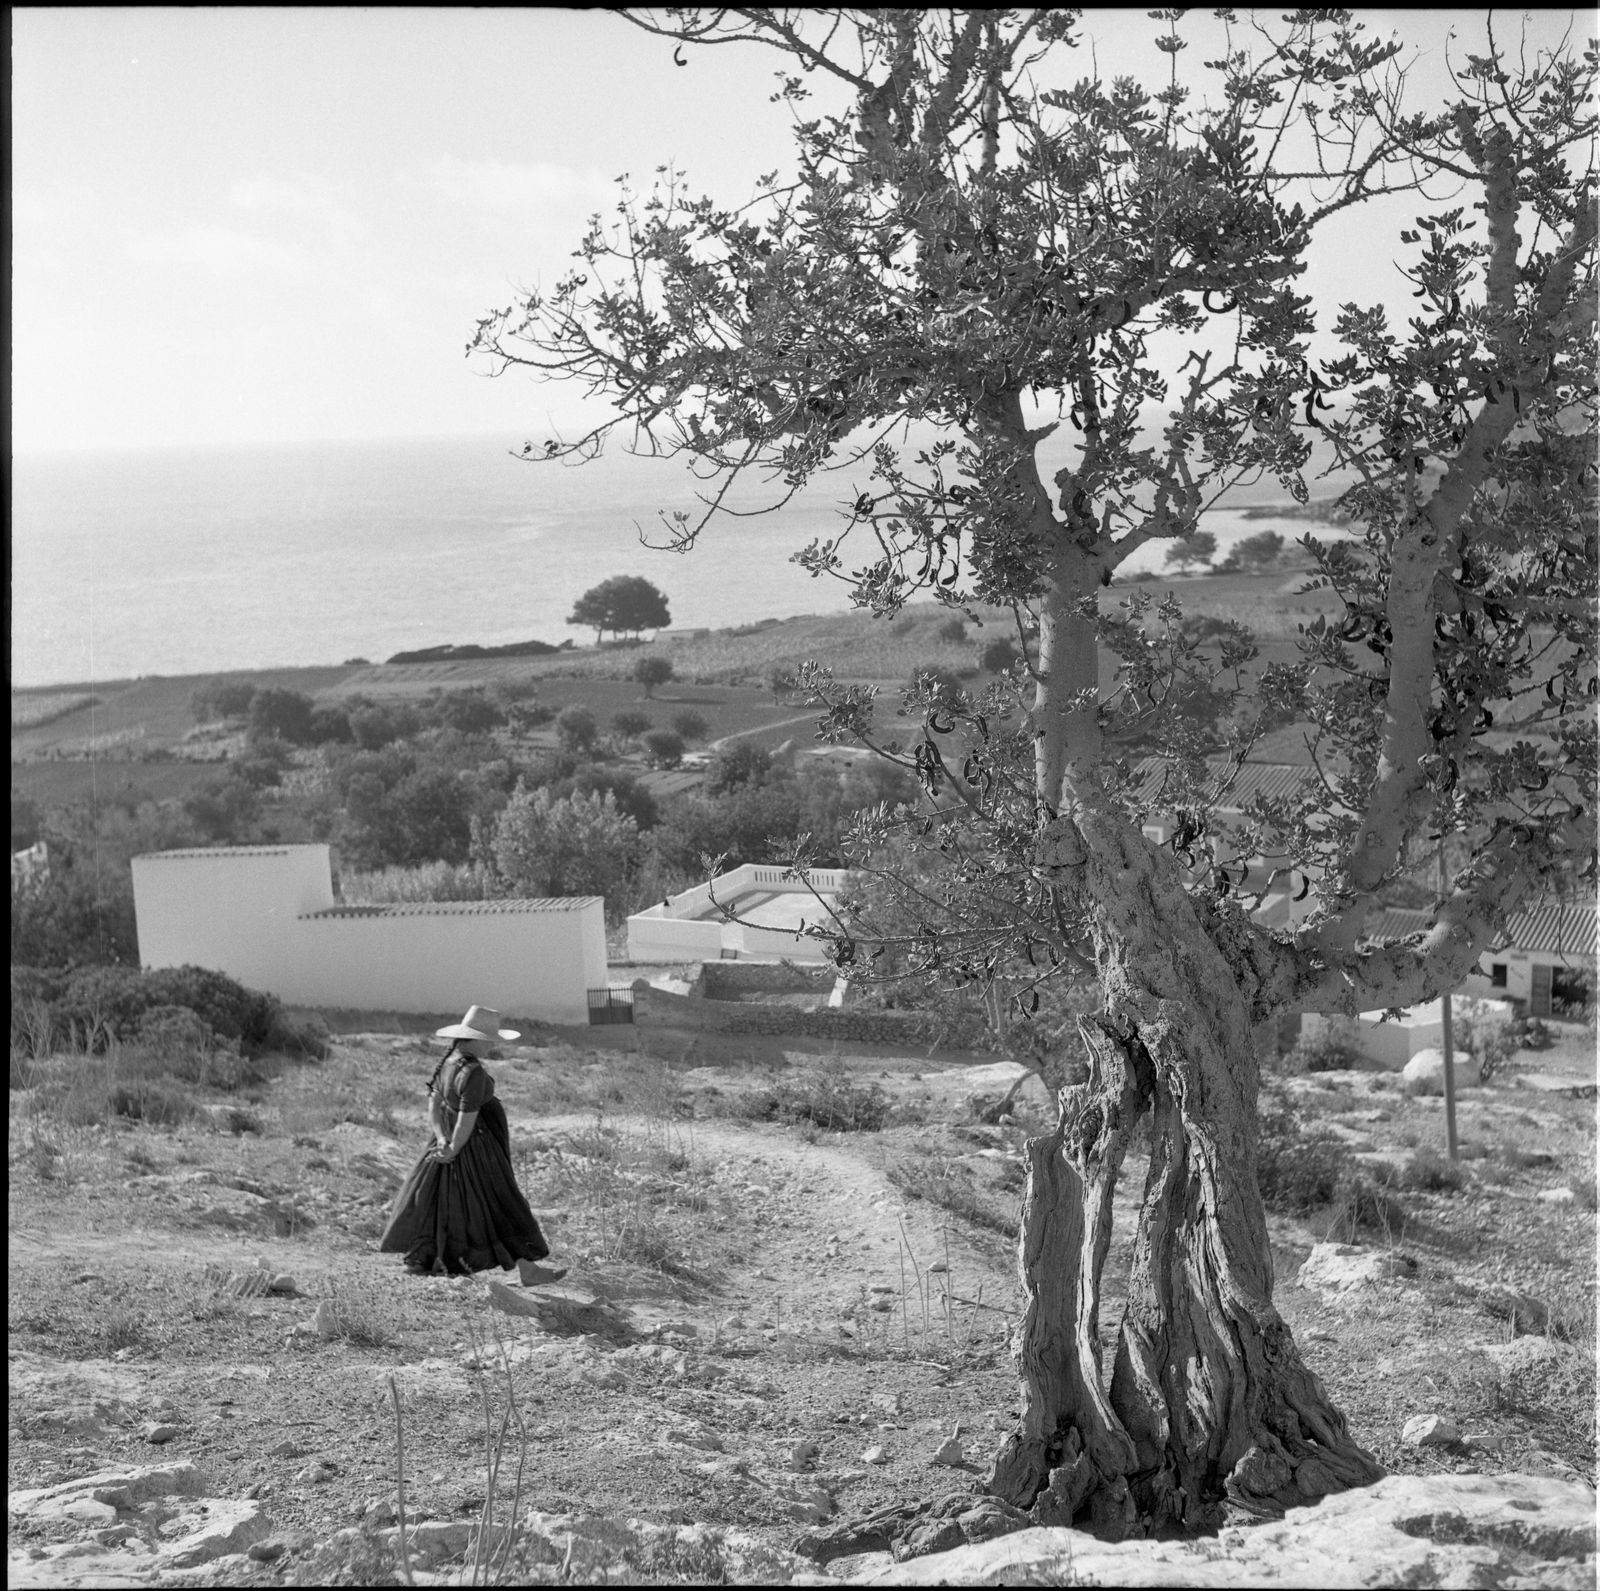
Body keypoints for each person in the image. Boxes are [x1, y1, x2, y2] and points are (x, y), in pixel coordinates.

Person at [379, 1006, 566, 1285]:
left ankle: (431, 1260)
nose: (492, 1046)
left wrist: (442, 1140)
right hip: (476, 1147)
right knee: (503, 1203)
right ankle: (527, 1270)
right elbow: (467, 1118)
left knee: (443, 1203)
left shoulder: (448, 1062)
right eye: (489, 1040)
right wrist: (454, 1147)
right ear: (475, 1039)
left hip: (448, 1143)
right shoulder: (473, 1071)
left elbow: (434, 1105)